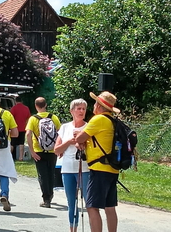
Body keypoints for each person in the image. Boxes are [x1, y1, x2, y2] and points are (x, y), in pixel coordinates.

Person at [75, 91, 121, 232]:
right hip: (112, 168)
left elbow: (79, 138)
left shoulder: (98, 119)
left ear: (100, 106)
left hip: (99, 168)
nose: (94, 106)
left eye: (95, 103)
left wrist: (80, 139)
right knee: (109, 206)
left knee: (92, 206)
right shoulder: (112, 121)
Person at [55, 99, 90, 232]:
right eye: (78, 109)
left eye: (83, 109)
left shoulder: (88, 127)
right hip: (67, 169)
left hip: (84, 169)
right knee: (71, 202)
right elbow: (57, 150)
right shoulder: (65, 128)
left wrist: (80, 142)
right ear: (72, 111)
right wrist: (69, 141)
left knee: (88, 202)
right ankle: (72, 229)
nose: (81, 111)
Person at [26, 97, 61, 208]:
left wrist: (31, 151)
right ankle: (50, 195)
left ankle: (46, 199)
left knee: (42, 174)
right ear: (46, 105)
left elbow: (28, 134)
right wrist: (58, 147)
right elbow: (60, 133)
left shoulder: (33, 119)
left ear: (36, 106)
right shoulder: (53, 117)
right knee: (51, 173)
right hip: (52, 150)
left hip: (39, 150)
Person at [10, 95, 30, 161]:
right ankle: (21, 157)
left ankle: (10, 156)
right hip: (23, 128)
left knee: (12, 143)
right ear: (21, 101)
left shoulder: (14, 108)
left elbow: (11, 118)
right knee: (21, 143)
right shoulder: (26, 108)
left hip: (15, 128)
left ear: (15, 101)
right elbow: (28, 118)